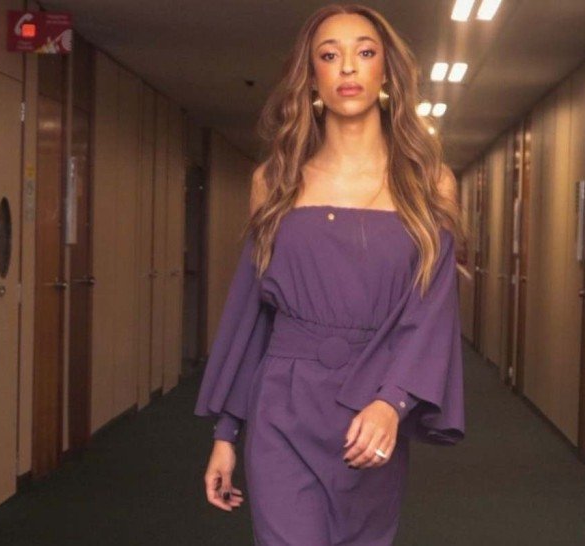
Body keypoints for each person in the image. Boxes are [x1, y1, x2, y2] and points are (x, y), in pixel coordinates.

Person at [194, 3, 467, 544]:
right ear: (311, 76)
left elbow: (432, 313)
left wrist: (393, 402)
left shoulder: (429, 183)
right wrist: (227, 432)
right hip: (284, 407)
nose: (347, 67)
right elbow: (252, 314)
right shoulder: (275, 180)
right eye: (328, 55)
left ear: (386, 72)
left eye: (364, 52)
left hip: (372, 408)